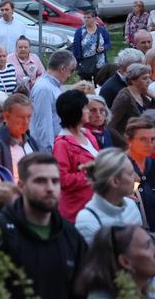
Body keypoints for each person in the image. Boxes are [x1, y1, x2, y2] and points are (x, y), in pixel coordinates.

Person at [0, 153, 88, 299]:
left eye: (55, 181)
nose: (50, 188)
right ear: (21, 187)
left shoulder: (71, 236)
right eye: (40, 181)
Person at [75, 149, 143, 244]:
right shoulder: (87, 220)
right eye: (131, 173)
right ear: (115, 181)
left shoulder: (131, 206)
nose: (137, 179)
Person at [53, 90, 99, 223]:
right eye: (84, 107)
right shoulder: (62, 144)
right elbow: (62, 179)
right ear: (75, 111)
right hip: (77, 211)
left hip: (94, 205)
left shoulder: (89, 135)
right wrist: (93, 175)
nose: (88, 111)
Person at [29, 49, 76, 154]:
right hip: (49, 153)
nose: (70, 75)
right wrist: (50, 156)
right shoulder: (44, 89)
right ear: (63, 68)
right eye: (71, 70)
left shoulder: (51, 86)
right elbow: (43, 127)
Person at [124, 117, 155, 228]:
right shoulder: (120, 166)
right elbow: (128, 195)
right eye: (143, 139)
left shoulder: (151, 163)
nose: (149, 144)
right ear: (129, 140)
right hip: (137, 231)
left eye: (152, 139)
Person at [109, 63, 154, 133]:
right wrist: (121, 141)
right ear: (132, 80)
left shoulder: (143, 95)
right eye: (144, 78)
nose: (149, 81)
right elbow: (111, 123)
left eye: (149, 78)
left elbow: (150, 115)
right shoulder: (124, 97)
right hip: (128, 139)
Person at [73, 9, 111, 82]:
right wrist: (77, 62)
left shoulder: (102, 30)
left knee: (100, 84)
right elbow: (76, 47)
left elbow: (108, 43)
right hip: (86, 64)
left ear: (94, 18)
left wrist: (104, 48)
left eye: (88, 17)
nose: (86, 19)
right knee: (86, 86)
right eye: (85, 17)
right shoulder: (80, 31)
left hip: (101, 64)